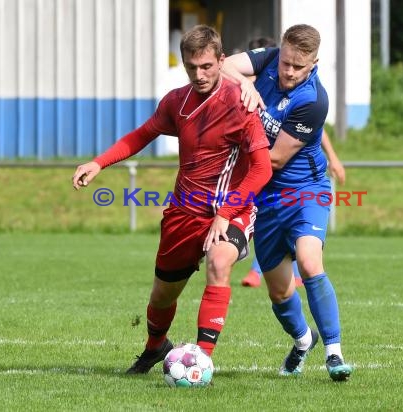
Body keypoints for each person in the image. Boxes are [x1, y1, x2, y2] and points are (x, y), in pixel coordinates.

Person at [72, 25, 272, 374]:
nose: (199, 74)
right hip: (184, 212)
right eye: (192, 67)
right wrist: (98, 162)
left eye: (207, 66)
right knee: (162, 296)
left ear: (221, 62)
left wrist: (224, 214)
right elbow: (142, 134)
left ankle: (202, 361)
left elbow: (262, 170)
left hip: (232, 209)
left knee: (219, 263)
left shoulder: (242, 105)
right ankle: (155, 347)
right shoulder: (176, 102)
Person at [223, 24, 353, 381]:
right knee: (279, 291)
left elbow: (275, 160)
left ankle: (334, 353)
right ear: (280, 52)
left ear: (313, 64)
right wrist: (245, 83)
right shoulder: (268, 61)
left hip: (305, 191)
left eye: (299, 66)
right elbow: (220, 65)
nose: (290, 71)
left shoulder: (313, 100)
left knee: (310, 263)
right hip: (267, 200)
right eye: (286, 63)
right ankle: (302, 341)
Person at [241, 129, 346, 288]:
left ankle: (261, 272)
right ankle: (264, 272)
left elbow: (318, 128)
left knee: (296, 232)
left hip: (299, 182)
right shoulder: (263, 107)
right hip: (270, 181)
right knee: (273, 228)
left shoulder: (305, 107)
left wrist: (333, 157)